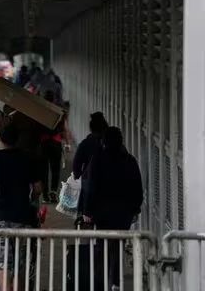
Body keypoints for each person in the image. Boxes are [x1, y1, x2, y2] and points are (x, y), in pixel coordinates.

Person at [0, 123, 43, 288]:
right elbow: (38, 189)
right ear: (17, 139)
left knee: (2, 262)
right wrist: (31, 200)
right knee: (20, 263)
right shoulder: (28, 158)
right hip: (23, 217)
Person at [82, 126, 143, 288]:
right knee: (118, 245)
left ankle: (101, 281)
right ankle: (116, 281)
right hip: (124, 213)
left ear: (104, 142)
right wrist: (135, 209)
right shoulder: (130, 161)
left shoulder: (98, 159)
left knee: (102, 244)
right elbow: (137, 187)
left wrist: (87, 210)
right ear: (121, 141)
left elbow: (91, 186)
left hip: (102, 212)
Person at [72, 111, 109, 214]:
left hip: (89, 184)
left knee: (87, 212)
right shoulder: (110, 144)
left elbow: (76, 163)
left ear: (91, 128)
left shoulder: (86, 143)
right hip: (108, 186)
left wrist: (78, 175)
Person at [40, 94, 71, 203]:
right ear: (53, 100)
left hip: (43, 144)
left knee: (43, 170)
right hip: (55, 143)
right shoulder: (58, 112)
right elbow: (64, 129)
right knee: (55, 169)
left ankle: (45, 195)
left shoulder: (39, 112)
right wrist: (67, 144)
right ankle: (53, 192)